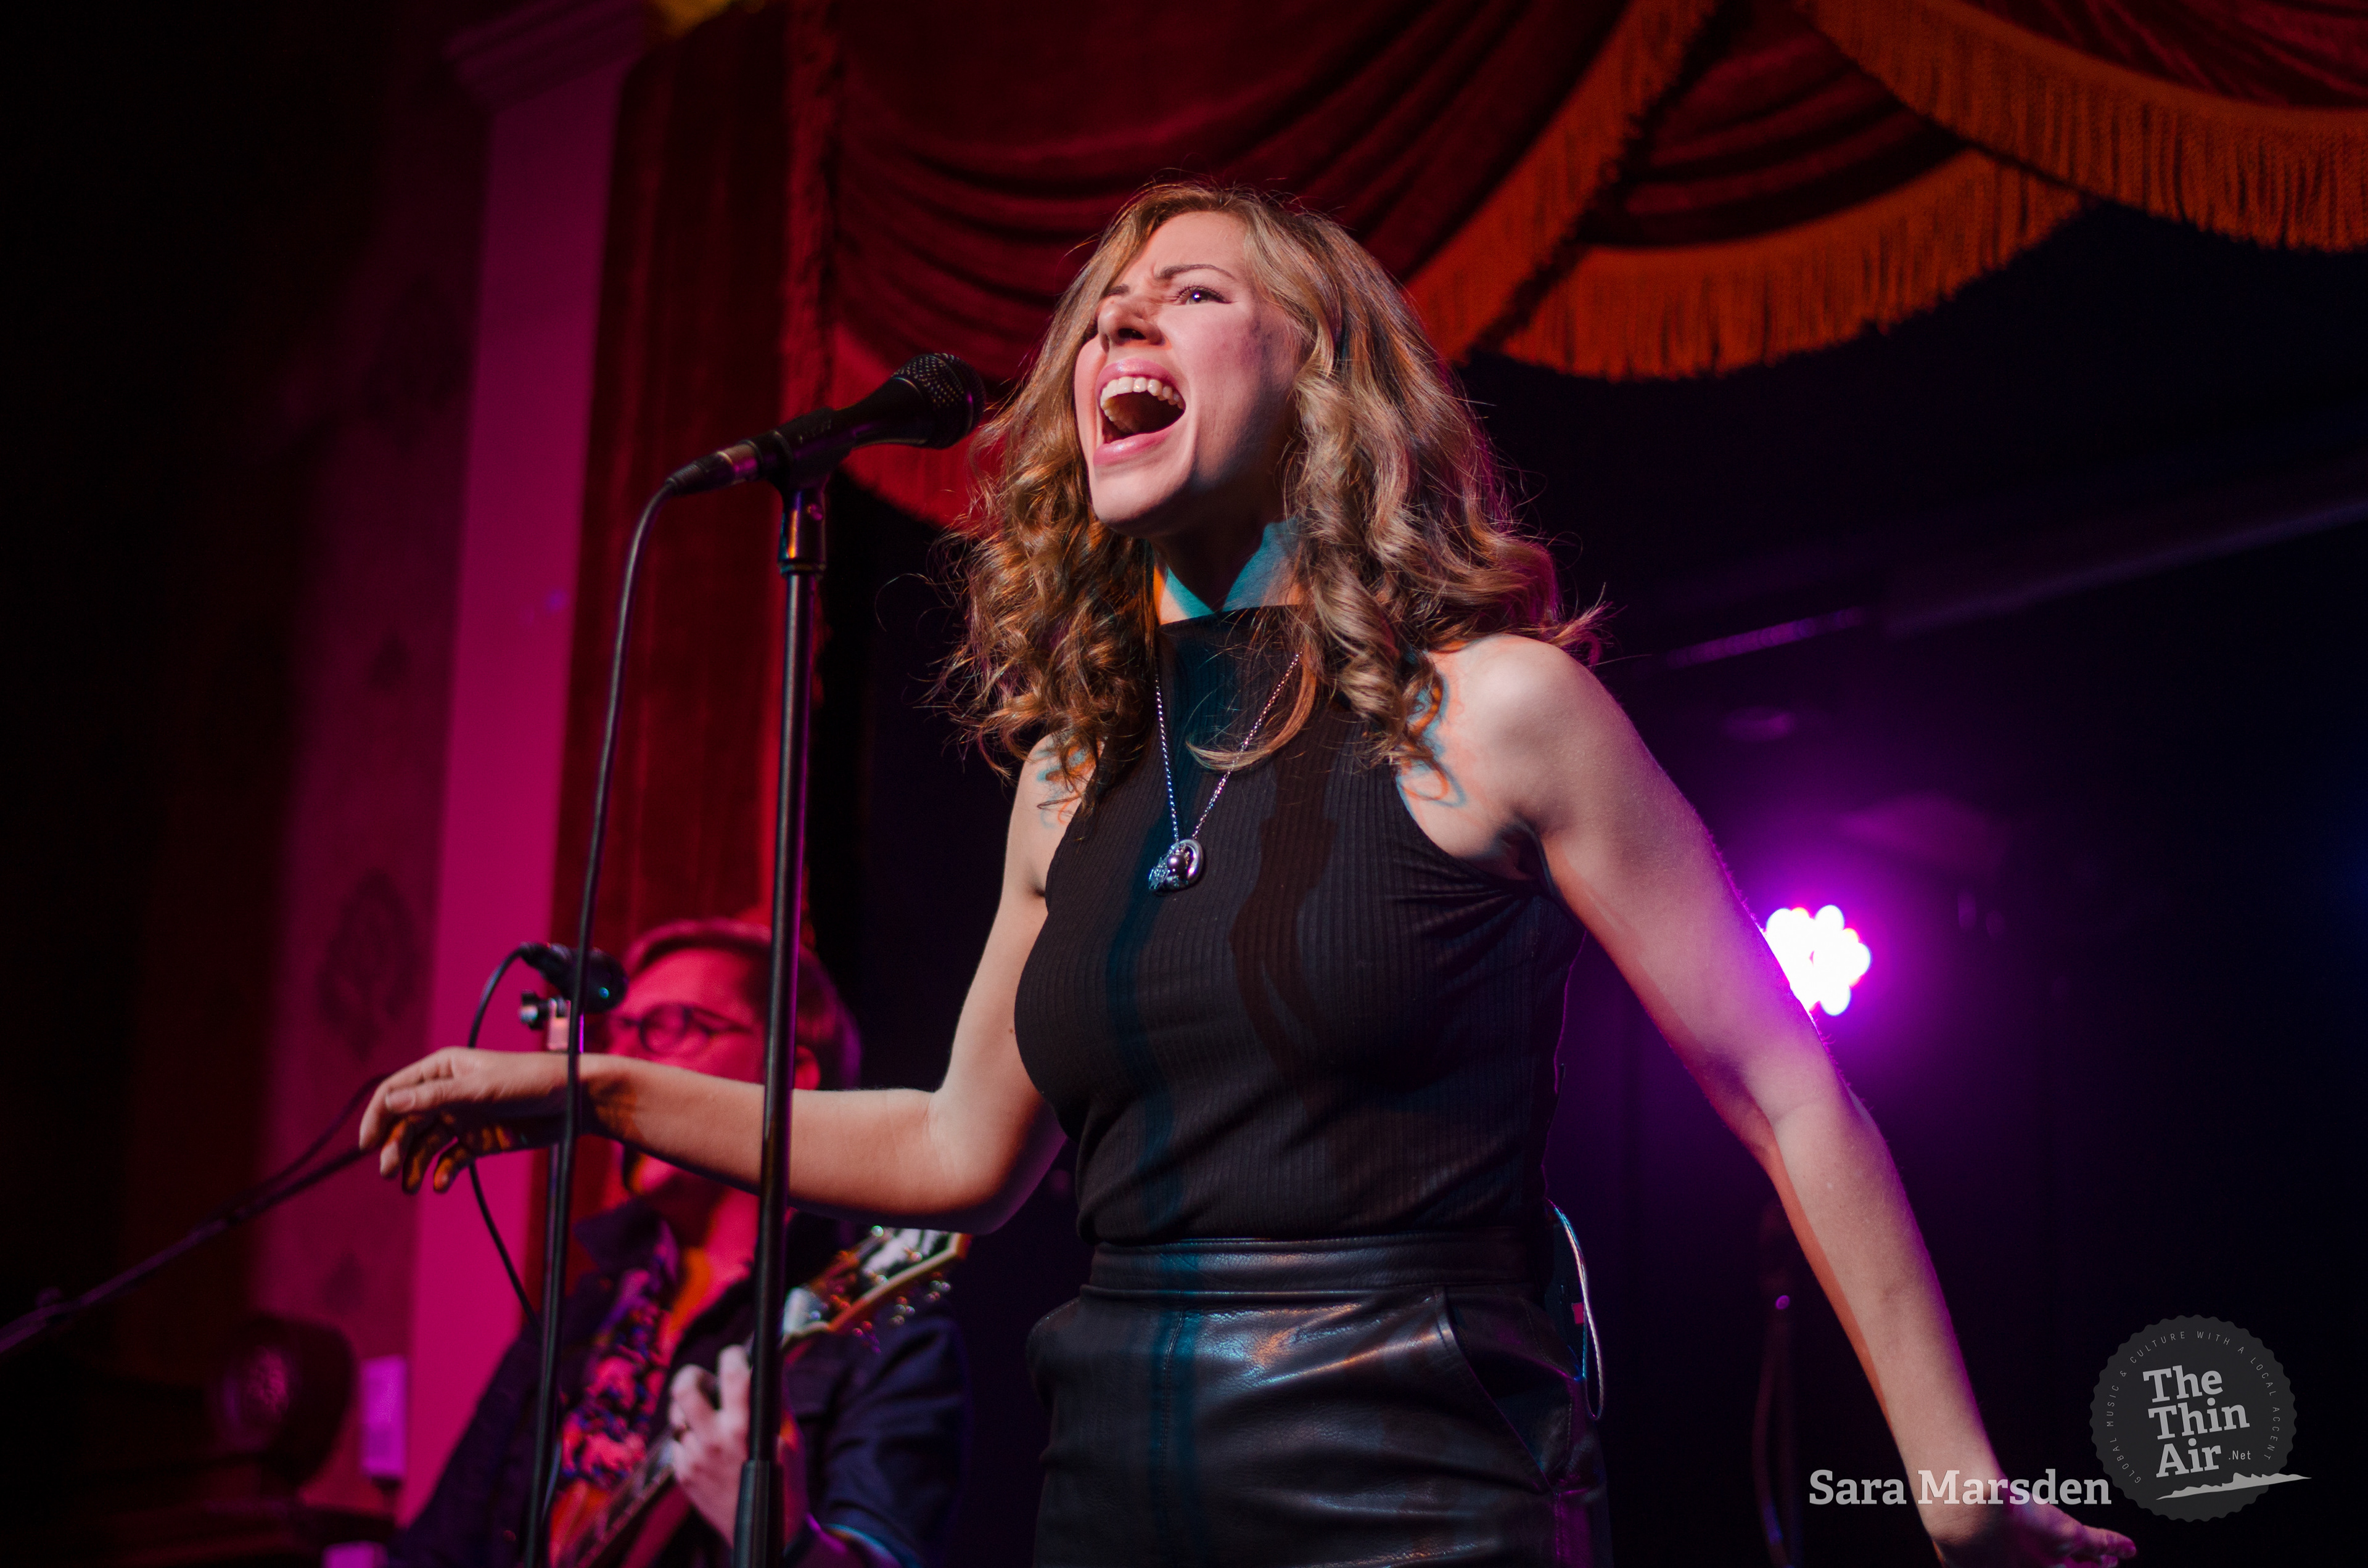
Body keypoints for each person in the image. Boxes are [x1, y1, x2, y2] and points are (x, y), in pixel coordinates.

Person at [365, 183, 2136, 1567]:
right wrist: (594, 1089)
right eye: (1102, 309)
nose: (1121, 317)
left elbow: (1782, 1087)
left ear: (1324, 382)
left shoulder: (1498, 709)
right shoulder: (1069, 777)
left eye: (1193, 291)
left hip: (1422, 1481)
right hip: (1112, 1483)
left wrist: (1955, 1482)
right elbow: (959, 1150)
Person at [390, 919, 965, 1568]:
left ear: (791, 1072)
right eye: (619, 1035)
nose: (624, 1064)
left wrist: (784, 1540)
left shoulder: (882, 1328)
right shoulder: (585, 1310)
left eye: (669, 1026)